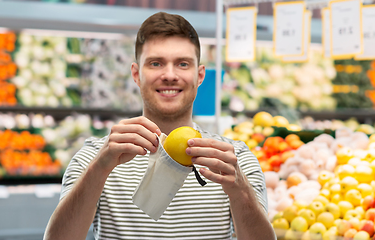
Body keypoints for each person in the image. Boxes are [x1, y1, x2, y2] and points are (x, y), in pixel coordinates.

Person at [44, 12, 276, 240]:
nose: (169, 75)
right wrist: (99, 168)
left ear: (200, 75)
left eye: (182, 64)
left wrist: (241, 191)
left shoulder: (234, 160)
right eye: (156, 63)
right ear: (136, 74)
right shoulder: (96, 156)